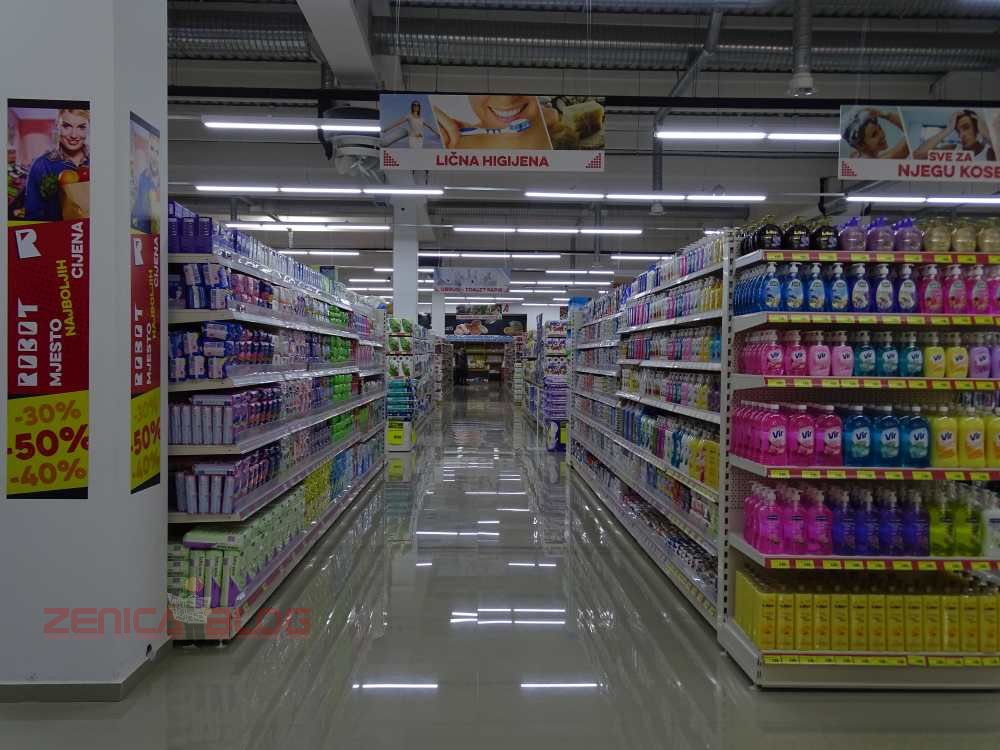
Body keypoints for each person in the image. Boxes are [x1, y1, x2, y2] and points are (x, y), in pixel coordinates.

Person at [24, 108, 90, 221]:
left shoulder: (100, 163)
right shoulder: (41, 165)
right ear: (57, 127)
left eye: (81, 127)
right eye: (66, 126)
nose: (74, 135)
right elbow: (32, 217)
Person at [433, 94, 556, 150]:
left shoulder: (563, 137)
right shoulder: (446, 145)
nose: (505, 100)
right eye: (486, 83)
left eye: (521, 81)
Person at [913, 110, 996, 162]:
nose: (961, 135)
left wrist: (986, 133)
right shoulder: (953, 149)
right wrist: (949, 128)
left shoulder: (990, 151)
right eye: (958, 131)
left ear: (977, 129)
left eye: (966, 128)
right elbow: (918, 155)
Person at [842, 108, 910, 159]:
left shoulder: (858, 157)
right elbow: (910, 132)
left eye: (880, 128)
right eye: (874, 135)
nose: (882, 135)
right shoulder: (874, 163)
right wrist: (884, 114)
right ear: (861, 145)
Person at [131, 132, 160, 233]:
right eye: (151, 148)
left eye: (157, 152)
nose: (154, 155)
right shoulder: (143, 170)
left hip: (148, 222)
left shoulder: (158, 178)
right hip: (137, 218)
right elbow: (138, 195)